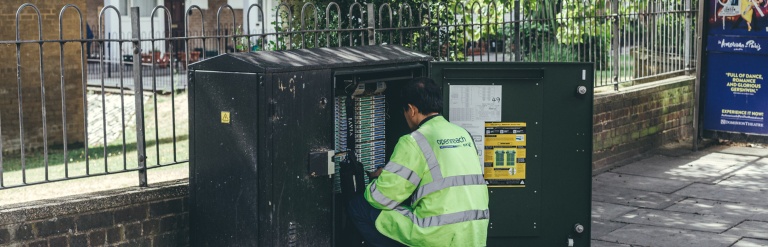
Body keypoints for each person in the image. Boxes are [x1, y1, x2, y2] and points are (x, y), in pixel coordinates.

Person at [347, 77, 490, 247]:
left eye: (405, 112)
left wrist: (376, 180)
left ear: (412, 110)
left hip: (436, 235)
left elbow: (381, 197)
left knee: (359, 206)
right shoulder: (463, 134)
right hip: (473, 235)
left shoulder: (414, 141)